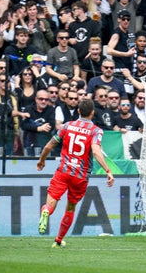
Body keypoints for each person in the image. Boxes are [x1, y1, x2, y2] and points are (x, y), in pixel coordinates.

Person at [36, 98, 115, 248]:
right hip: (80, 176)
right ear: (92, 113)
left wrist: (42, 161)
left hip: (63, 171)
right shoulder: (96, 131)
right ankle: (58, 240)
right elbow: (96, 151)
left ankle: (46, 211)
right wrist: (108, 170)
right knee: (70, 207)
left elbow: (49, 146)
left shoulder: (67, 126)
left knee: (50, 204)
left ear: (78, 111)